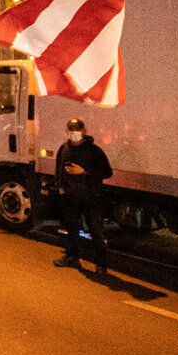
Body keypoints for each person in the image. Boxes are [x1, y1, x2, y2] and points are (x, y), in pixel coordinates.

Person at [53, 116, 113, 270]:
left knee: (95, 231)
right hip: (70, 197)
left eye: (77, 130)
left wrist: (84, 171)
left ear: (84, 131)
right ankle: (72, 258)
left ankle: (101, 263)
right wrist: (60, 187)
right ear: (67, 131)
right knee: (71, 230)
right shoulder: (64, 149)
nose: (74, 133)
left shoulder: (94, 151)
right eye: (71, 130)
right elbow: (58, 169)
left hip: (90, 197)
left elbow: (107, 172)